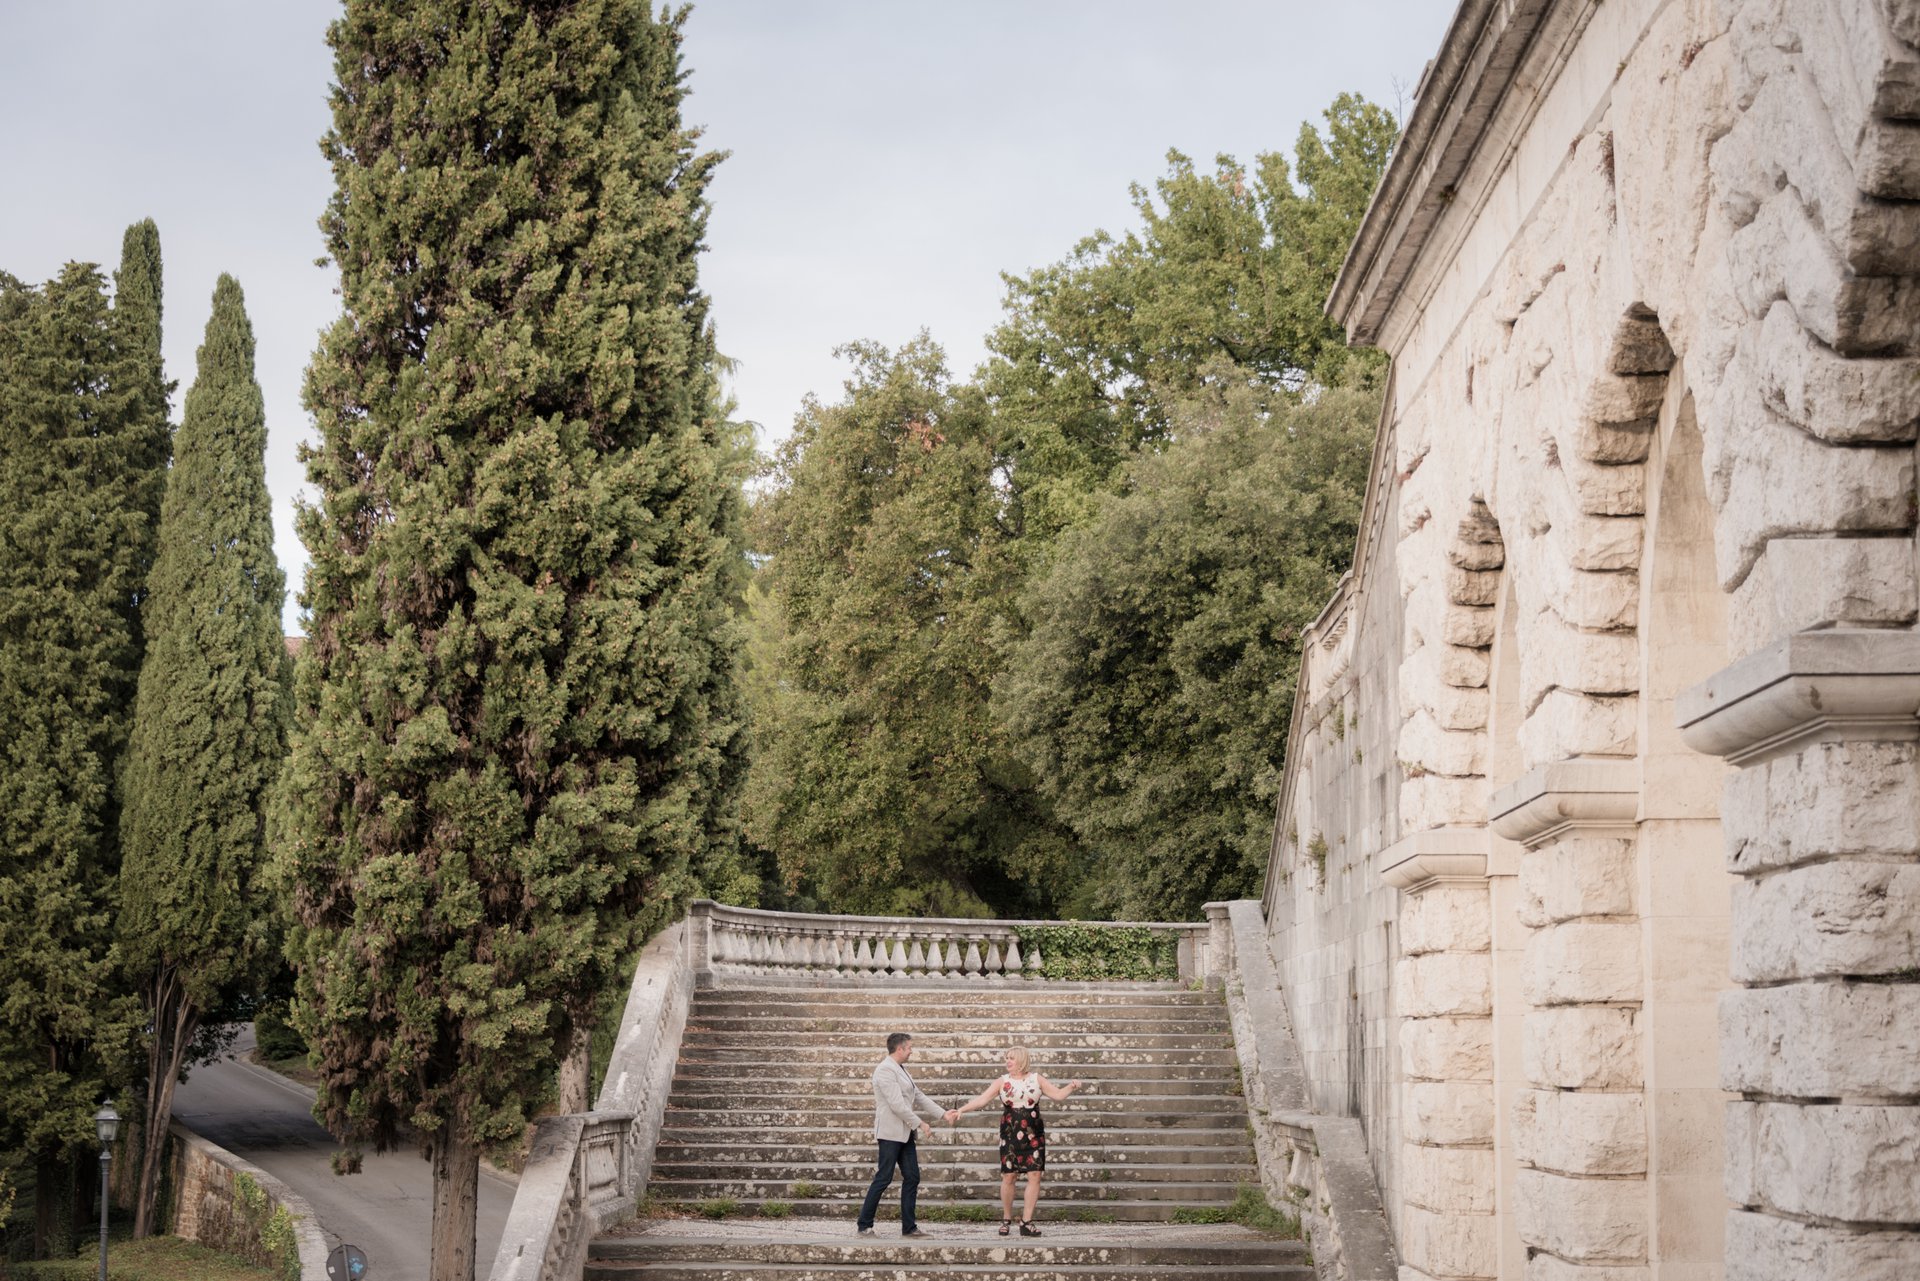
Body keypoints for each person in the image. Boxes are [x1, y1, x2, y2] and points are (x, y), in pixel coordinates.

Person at [946, 1045, 1082, 1236]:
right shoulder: (1003, 1081)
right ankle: (1006, 1219)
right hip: (1010, 1132)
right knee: (1009, 1176)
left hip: (1033, 1132)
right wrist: (961, 1110)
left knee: (1035, 1174)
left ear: (1021, 1060)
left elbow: (1058, 1095)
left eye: (1011, 1058)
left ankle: (1026, 1222)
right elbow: (982, 1099)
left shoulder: (1036, 1079)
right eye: (1006, 1058)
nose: (1007, 1061)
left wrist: (1071, 1086)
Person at [856, 1031, 947, 1238]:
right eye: (909, 1048)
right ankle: (864, 1224)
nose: (911, 1051)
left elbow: (918, 1096)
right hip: (890, 1133)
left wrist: (943, 1114)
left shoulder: (901, 1069)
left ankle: (909, 1227)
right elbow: (897, 1105)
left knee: (912, 1177)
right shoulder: (885, 1070)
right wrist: (920, 1123)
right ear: (900, 1049)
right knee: (883, 1178)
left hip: (905, 1133)